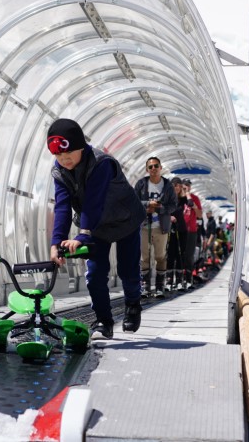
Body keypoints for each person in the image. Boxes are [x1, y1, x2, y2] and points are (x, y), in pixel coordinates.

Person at [47, 118, 145, 339]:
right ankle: (104, 321)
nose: (64, 159)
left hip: (125, 219)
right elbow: (62, 206)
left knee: (127, 269)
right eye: (58, 156)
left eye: (68, 153)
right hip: (96, 226)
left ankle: (132, 305)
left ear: (81, 146)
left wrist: (83, 235)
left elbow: (94, 201)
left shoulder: (101, 163)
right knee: (95, 274)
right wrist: (56, 243)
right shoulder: (59, 171)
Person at [133, 157, 177, 297]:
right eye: (150, 167)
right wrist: (147, 205)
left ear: (160, 167)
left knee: (160, 256)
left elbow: (173, 205)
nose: (153, 168)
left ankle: (159, 286)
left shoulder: (168, 185)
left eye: (156, 166)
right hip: (144, 225)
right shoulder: (141, 184)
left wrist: (159, 208)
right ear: (147, 169)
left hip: (161, 226)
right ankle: (145, 286)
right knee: (144, 257)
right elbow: (133, 201)